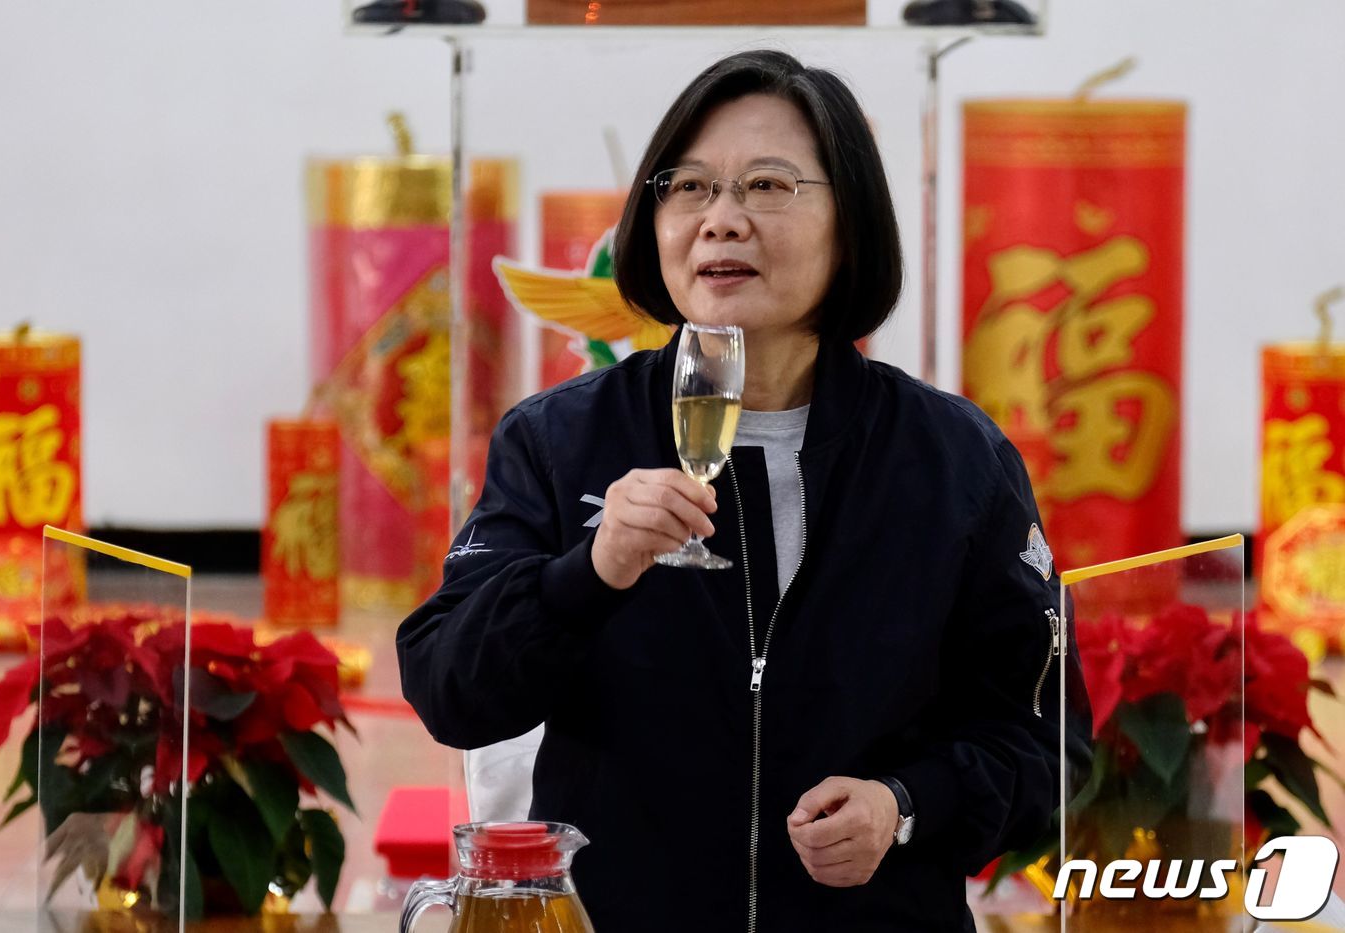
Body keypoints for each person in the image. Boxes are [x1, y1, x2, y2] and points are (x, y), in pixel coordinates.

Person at [398, 49, 1092, 932]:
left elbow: (1048, 741)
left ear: (851, 222)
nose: (720, 220)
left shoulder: (955, 460)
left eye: (768, 185)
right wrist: (589, 572)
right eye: (689, 187)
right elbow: (448, 686)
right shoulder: (559, 440)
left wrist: (906, 804)